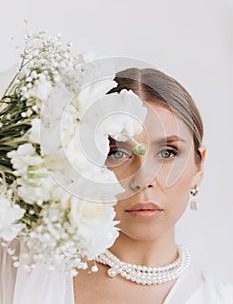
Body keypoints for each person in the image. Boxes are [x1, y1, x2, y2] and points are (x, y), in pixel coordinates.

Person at [1, 67, 233, 304]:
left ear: (199, 166)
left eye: (167, 152)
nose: (143, 179)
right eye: (117, 153)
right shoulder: (20, 265)